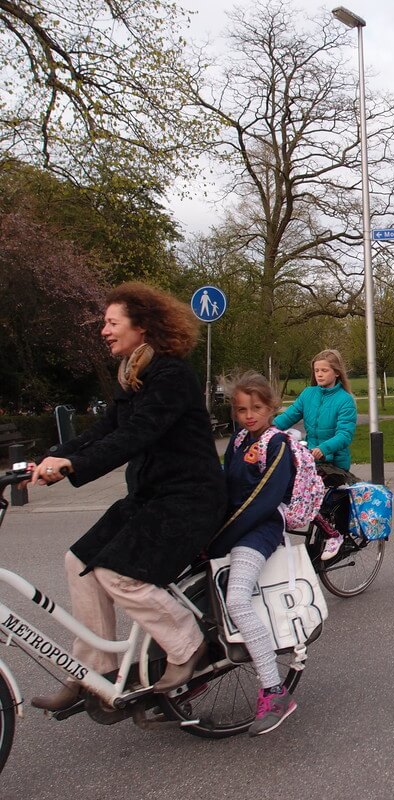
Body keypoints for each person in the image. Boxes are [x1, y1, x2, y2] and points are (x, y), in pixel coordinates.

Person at [29, 282, 226, 711]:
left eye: (111, 322)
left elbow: (136, 435)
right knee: (79, 562)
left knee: (119, 575)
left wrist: (74, 467)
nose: (103, 330)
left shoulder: (171, 375)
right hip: (152, 496)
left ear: (142, 327)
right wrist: (53, 458)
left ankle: (187, 644)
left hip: (188, 499)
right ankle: (93, 670)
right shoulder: (135, 373)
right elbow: (107, 430)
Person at [212, 372, 297, 736]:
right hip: (232, 527)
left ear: (271, 407)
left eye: (256, 408)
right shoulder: (238, 440)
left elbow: (262, 499)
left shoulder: (277, 443)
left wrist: (221, 535)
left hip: (259, 530)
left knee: (238, 601)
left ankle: (274, 690)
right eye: (241, 409)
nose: (248, 415)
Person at [273, 349, 356, 559]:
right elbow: (288, 417)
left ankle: (333, 534)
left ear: (336, 373)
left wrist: (324, 448)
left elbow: (345, 435)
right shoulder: (308, 394)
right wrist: (265, 431)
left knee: (307, 492)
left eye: (324, 370)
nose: (319, 374)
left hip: (333, 462)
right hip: (309, 458)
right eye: (317, 370)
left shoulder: (345, 400)